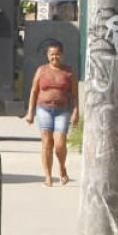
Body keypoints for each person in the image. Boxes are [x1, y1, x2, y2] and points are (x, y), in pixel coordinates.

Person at [23, 40, 78, 186]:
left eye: (58, 54)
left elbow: (74, 94)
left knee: (60, 144)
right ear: (47, 56)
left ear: (62, 55)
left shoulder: (68, 72)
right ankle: (48, 176)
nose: (55, 57)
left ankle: (62, 167)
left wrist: (75, 112)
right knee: (47, 143)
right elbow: (34, 91)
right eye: (52, 55)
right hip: (44, 109)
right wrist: (30, 112)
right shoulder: (41, 70)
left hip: (62, 111)